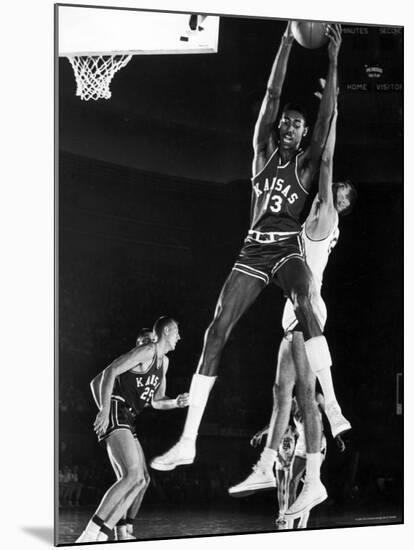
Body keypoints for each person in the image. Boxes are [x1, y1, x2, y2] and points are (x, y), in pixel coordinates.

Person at [150, 21, 342, 486]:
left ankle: (332, 405)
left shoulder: (308, 161)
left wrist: (334, 62)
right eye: (289, 123)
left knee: (303, 300)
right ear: (280, 128)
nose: (294, 127)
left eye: (300, 124)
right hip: (253, 251)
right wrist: (284, 43)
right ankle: (188, 440)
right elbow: (272, 93)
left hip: (286, 252)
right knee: (216, 331)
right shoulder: (261, 153)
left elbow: (326, 120)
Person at [228, 102, 357, 517]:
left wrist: (331, 112)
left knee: (306, 395)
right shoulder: (313, 219)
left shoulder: (325, 216)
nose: (334, 188)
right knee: (283, 391)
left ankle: (317, 469)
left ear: (342, 202)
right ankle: (270, 464)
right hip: (296, 305)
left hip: (308, 303)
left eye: (339, 190)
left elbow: (326, 157)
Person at [76, 317, 189, 543]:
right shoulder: (148, 351)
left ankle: (105, 532)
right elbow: (110, 372)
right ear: (166, 331)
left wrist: (176, 402)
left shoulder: (163, 362)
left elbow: (157, 401)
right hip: (117, 408)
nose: (179, 336)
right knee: (133, 475)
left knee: (140, 480)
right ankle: (89, 534)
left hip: (129, 417)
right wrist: (104, 409)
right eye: (177, 331)